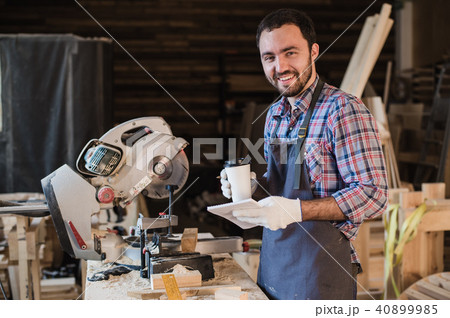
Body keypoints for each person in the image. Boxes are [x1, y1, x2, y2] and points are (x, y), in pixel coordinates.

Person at [220, 9, 388, 300]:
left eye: (290, 53)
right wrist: (248, 188)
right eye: (269, 57)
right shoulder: (274, 114)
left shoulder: (343, 110)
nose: (280, 66)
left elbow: (374, 195)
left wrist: (296, 210)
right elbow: (283, 186)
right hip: (275, 267)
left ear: (313, 52)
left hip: (321, 273)